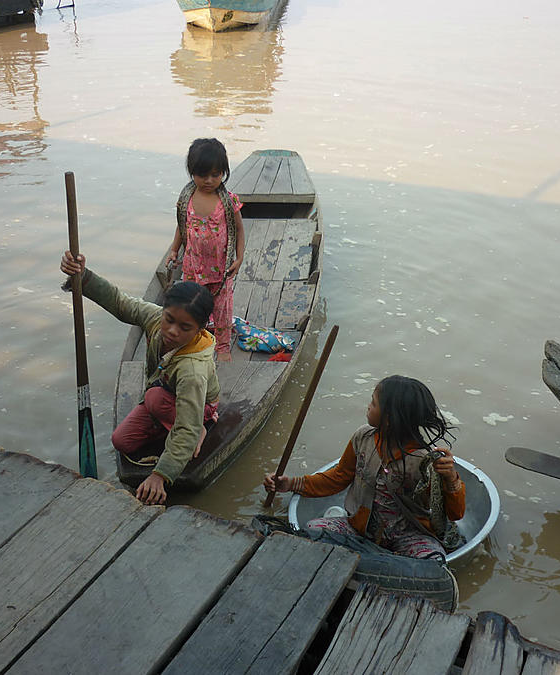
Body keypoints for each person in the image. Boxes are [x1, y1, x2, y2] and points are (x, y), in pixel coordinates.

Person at [60, 251, 220, 506]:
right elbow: (122, 304)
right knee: (120, 441)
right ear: (164, 311)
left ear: (199, 329)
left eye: (185, 328)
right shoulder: (157, 319)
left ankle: (202, 426)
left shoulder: (193, 372)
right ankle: (167, 425)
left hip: (195, 408)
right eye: (169, 320)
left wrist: (160, 475)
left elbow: (186, 429)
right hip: (163, 394)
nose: (172, 331)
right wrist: (83, 276)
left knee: (157, 401)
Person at [263, 375, 466, 558]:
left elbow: (454, 514)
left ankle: (374, 557)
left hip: (408, 536)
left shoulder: (423, 461)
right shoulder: (363, 438)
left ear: (389, 419)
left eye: (373, 403)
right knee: (312, 531)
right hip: (359, 529)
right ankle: (375, 555)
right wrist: (290, 484)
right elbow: (337, 478)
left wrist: (451, 479)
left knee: (433, 560)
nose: (368, 406)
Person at [166, 138, 245, 363]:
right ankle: (194, 341)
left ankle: (222, 346)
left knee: (222, 310)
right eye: (203, 175)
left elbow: (239, 230)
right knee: (193, 307)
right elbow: (182, 228)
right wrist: (174, 251)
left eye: (216, 175)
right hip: (193, 268)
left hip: (221, 269)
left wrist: (239, 258)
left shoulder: (228, 201)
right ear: (192, 172)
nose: (209, 181)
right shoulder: (187, 199)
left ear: (223, 173)